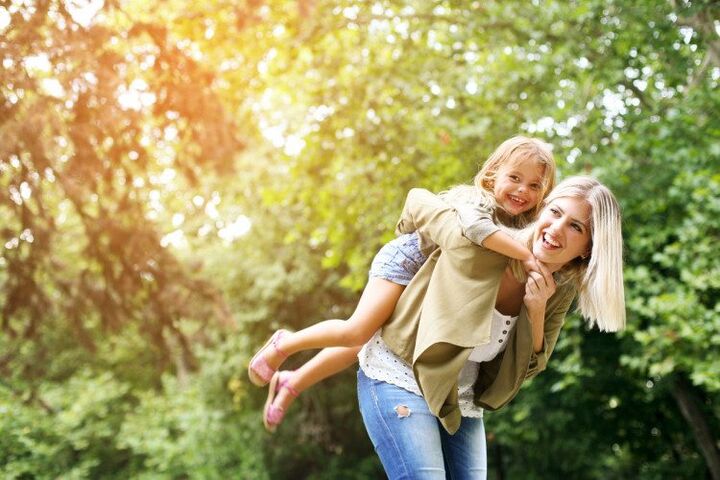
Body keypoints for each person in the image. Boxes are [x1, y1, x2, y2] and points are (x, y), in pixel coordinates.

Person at [247, 136, 556, 431]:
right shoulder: (475, 201)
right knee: (358, 330)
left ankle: (293, 381)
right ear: (492, 175)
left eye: (534, 185)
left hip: (434, 283)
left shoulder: (528, 227)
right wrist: (526, 257)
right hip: (409, 262)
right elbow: (475, 230)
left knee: (366, 343)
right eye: (514, 178)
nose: (522, 190)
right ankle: (284, 343)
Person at [357, 176, 626, 479]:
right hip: (401, 372)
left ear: (588, 249)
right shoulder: (489, 240)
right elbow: (420, 203)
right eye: (555, 212)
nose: (556, 229)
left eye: (576, 227)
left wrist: (536, 311)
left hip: (460, 399)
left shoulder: (560, 289)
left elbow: (531, 367)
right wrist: (403, 246)